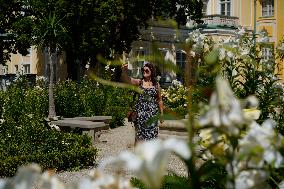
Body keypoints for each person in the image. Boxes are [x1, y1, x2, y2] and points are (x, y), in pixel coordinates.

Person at [121, 62, 164, 144]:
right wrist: (124, 70)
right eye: (143, 70)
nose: (144, 71)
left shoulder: (156, 85)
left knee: (152, 137)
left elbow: (159, 100)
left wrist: (161, 114)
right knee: (139, 138)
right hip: (141, 115)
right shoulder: (139, 82)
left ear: (152, 72)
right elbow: (127, 80)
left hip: (152, 116)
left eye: (146, 70)